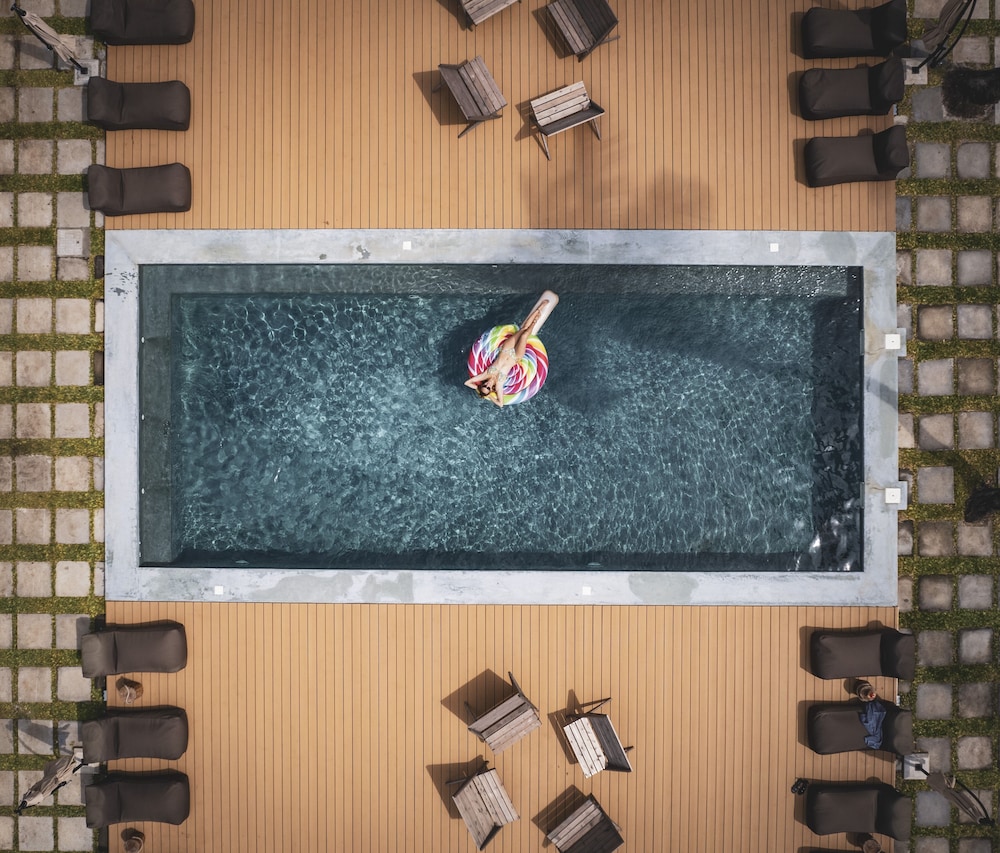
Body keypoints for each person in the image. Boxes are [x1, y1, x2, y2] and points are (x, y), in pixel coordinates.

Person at [465, 292, 558, 408]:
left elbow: (467, 383)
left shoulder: (485, 375)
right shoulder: (499, 385)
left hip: (505, 349)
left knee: (522, 330)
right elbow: (500, 404)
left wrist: (479, 390)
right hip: (516, 357)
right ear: (491, 389)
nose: (487, 384)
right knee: (525, 336)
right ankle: (535, 319)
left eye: (484, 385)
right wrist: (490, 396)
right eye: (488, 388)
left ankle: (540, 308)